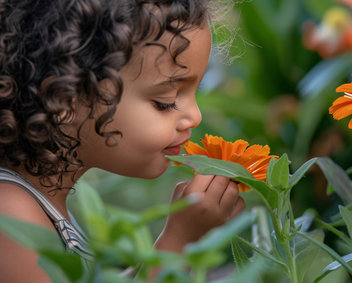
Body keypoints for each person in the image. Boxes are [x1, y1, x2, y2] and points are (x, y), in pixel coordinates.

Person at [0, 0, 245, 282]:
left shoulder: (39, 203)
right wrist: (179, 243)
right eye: (165, 101)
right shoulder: (10, 214)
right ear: (64, 99)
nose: (194, 116)